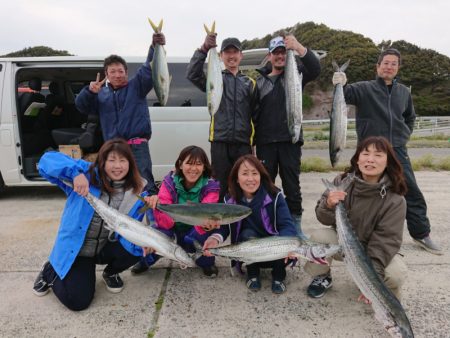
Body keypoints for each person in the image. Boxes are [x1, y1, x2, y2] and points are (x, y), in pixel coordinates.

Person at [332, 48, 441, 254]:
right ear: (378, 66)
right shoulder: (364, 89)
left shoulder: (404, 93)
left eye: (393, 64)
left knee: (411, 191)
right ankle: (347, 232)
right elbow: (343, 95)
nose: (389, 67)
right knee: (356, 191)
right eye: (386, 63)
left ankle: (421, 234)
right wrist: (340, 82)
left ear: (398, 68)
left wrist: (403, 135)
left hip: (397, 150)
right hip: (369, 151)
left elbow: (410, 117)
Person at [32, 139, 152, 311]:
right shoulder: (86, 174)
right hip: (80, 251)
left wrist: (145, 242)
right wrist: (75, 173)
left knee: (138, 246)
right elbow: (46, 161)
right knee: (77, 301)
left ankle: (110, 272)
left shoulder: (136, 191)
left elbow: (133, 226)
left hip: (105, 245)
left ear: (130, 163)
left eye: (122, 160)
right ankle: (50, 270)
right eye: (111, 160)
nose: (117, 166)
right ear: (102, 162)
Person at [305, 136, 408, 301]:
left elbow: (385, 241)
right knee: (318, 237)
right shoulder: (342, 182)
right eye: (365, 154)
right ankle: (322, 276)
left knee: (395, 274)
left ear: (388, 162)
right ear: (357, 159)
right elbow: (322, 218)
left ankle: (377, 290)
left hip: (372, 250)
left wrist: (371, 281)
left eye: (378, 155)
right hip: (343, 244)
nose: (371, 159)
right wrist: (329, 204)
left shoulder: (395, 200)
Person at [75, 33, 166, 195]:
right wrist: (89, 92)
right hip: (113, 147)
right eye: (113, 71)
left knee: (145, 184)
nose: (117, 75)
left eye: (120, 71)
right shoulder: (101, 94)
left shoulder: (137, 86)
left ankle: (151, 218)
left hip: (137, 146)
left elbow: (148, 68)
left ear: (126, 72)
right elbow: (82, 107)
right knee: (114, 186)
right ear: (106, 74)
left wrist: (154, 46)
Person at [254, 35, 321, 239]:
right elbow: (254, 115)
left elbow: (315, 68)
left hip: (290, 141)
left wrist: (298, 47)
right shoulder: (259, 83)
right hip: (265, 143)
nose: (280, 56)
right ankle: (267, 224)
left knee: (292, 186)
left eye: (283, 52)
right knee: (266, 186)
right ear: (269, 56)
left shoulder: (297, 74)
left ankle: (295, 227)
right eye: (276, 53)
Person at [204, 154, 297, 294]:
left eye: (255, 173)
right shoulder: (229, 200)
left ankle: (279, 276)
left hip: (275, 252)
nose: (250, 179)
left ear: (261, 175)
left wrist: (287, 245)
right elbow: (224, 227)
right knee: (247, 234)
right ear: (236, 177)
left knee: (279, 240)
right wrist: (214, 239)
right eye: (245, 174)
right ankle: (252, 274)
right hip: (247, 253)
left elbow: (287, 225)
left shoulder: (275, 195)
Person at [130, 145, 222, 277]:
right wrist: (158, 207)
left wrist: (207, 226)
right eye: (189, 163)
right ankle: (146, 260)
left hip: (194, 229)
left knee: (203, 234)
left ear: (204, 167)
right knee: (159, 235)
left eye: (198, 164)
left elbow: (204, 216)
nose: (193, 169)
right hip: (172, 227)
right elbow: (164, 224)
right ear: (180, 164)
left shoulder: (211, 187)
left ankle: (206, 262)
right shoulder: (169, 182)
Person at [186, 34, 258, 200]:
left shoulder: (250, 83)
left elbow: (256, 117)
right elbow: (192, 74)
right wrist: (204, 49)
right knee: (220, 186)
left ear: (241, 55)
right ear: (221, 56)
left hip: (243, 144)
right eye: (227, 52)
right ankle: (221, 223)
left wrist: (253, 145)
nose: (231, 56)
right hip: (219, 142)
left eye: (235, 52)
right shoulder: (215, 77)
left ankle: (242, 222)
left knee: (244, 185)